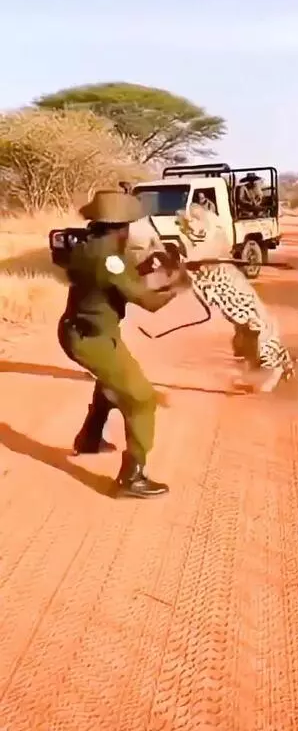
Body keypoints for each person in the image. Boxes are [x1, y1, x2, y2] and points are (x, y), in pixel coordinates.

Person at [57, 189, 183, 499]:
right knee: (140, 398)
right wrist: (177, 283)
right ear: (121, 226)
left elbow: (112, 281)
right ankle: (132, 478)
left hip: (79, 331)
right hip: (93, 340)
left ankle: (89, 438)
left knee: (113, 380)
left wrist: (146, 270)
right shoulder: (109, 257)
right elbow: (147, 301)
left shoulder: (89, 247)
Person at [175, 204, 296, 392]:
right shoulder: (207, 239)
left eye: (191, 223)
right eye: (185, 225)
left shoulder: (212, 240)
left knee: (258, 347)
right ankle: (267, 377)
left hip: (253, 317)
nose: (187, 228)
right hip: (245, 315)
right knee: (243, 347)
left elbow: (192, 261)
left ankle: (273, 376)